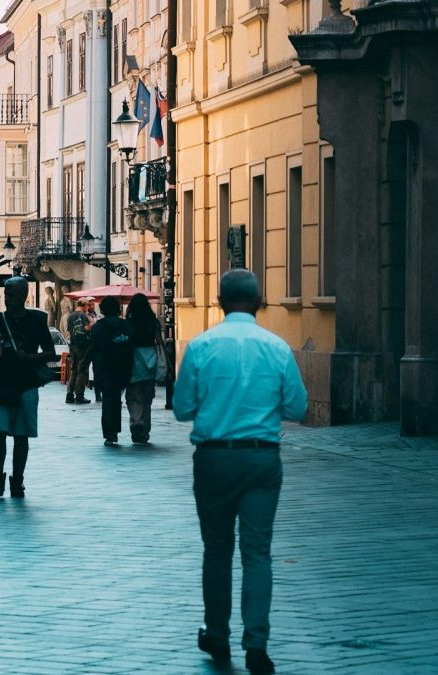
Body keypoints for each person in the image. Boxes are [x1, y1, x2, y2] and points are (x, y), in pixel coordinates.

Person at [172, 269, 307, 674]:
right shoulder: (277, 347)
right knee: (257, 552)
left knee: (217, 550)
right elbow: (297, 408)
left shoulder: (200, 346)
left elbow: (182, 409)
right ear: (259, 300)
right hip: (262, 459)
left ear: (220, 301)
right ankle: (257, 644)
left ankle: (217, 634)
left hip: (214, 458)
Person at [0, 276, 55, 498]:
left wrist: (29, 357)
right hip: (1, 382)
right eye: (5, 294)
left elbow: (50, 352)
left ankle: (17, 480)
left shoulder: (37, 320)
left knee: (20, 435)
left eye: (11, 294)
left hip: (26, 383)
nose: (7, 298)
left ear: (23, 295)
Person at [90, 296, 134, 447]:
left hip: (104, 369)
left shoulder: (97, 327)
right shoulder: (126, 326)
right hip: (123, 368)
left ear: (102, 310)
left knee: (108, 400)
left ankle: (110, 432)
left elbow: (93, 350)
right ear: (118, 309)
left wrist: (87, 368)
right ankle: (114, 429)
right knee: (116, 398)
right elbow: (131, 347)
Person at [125, 293, 161, 445]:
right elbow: (159, 342)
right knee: (147, 398)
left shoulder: (129, 323)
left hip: (134, 362)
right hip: (150, 361)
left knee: (133, 397)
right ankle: (145, 428)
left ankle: (136, 421)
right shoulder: (153, 322)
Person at [65, 299, 91, 405]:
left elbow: (68, 331)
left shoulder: (70, 316)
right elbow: (87, 328)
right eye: (87, 305)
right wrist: (92, 324)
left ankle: (69, 395)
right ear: (84, 305)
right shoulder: (84, 316)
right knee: (82, 371)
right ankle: (79, 396)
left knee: (74, 370)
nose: (88, 307)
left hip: (73, 346)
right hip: (82, 346)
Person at [86, 298, 102, 402]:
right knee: (94, 370)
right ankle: (96, 394)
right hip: (89, 344)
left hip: (99, 346)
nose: (92, 306)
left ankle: (99, 394)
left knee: (98, 371)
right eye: (89, 305)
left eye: (93, 305)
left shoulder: (98, 316)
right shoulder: (84, 316)